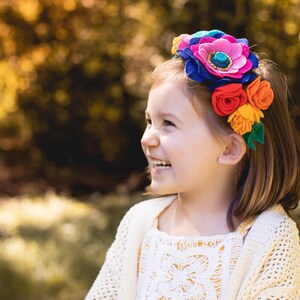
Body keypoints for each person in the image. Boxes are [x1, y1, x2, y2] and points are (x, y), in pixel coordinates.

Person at [86, 29, 300, 299]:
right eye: (149, 121)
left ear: (230, 148)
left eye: (169, 124)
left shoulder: (268, 237)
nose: (147, 138)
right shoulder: (139, 224)